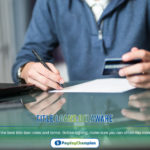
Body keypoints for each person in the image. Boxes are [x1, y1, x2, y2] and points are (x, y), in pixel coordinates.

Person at [12, 0, 150, 91]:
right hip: (83, 120)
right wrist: (26, 70)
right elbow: (27, 56)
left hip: (140, 117)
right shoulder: (51, 2)